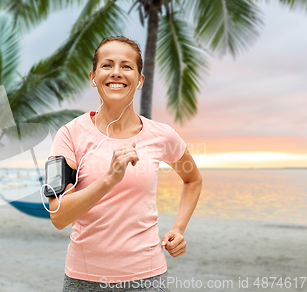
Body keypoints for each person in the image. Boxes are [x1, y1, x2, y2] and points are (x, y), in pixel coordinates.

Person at [47, 36, 202, 292]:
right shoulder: (69, 134)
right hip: (84, 280)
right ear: (93, 77)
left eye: (127, 66)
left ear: (140, 80)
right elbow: (59, 215)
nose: (116, 73)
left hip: (147, 277)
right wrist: (109, 179)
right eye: (107, 65)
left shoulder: (161, 135)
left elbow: (193, 179)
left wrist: (179, 228)